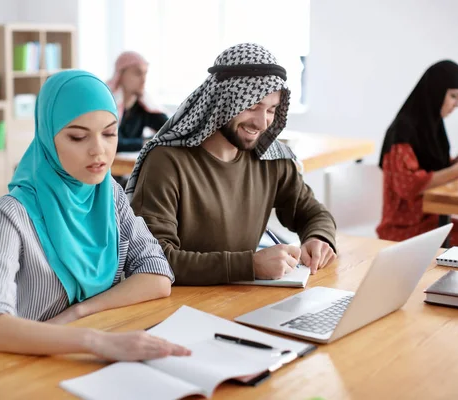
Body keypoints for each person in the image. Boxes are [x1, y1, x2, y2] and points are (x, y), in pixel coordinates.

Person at [0, 70, 190, 361]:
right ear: (48, 136)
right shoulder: (10, 215)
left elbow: (157, 276)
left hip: (69, 359)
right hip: (4, 367)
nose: (99, 150)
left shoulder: (109, 195)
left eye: (109, 133)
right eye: (78, 136)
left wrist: (78, 312)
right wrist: (92, 340)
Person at [127, 43, 337, 286]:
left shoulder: (271, 158)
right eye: (252, 107)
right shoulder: (166, 162)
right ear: (223, 102)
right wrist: (249, 265)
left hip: (240, 298)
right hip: (178, 306)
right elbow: (155, 260)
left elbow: (312, 212)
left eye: (271, 109)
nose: (262, 123)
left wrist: (319, 238)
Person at [377, 60, 458, 249]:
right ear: (436, 92)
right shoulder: (402, 133)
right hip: (403, 226)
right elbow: (409, 185)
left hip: (433, 216)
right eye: (453, 96)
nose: (457, 105)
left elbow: (437, 170)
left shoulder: (433, 125)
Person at [106, 51, 169, 152]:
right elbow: (113, 143)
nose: (144, 79)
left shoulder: (143, 107)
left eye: (145, 73)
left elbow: (171, 130)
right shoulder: (107, 106)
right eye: (138, 73)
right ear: (121, 75)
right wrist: (147, 142)